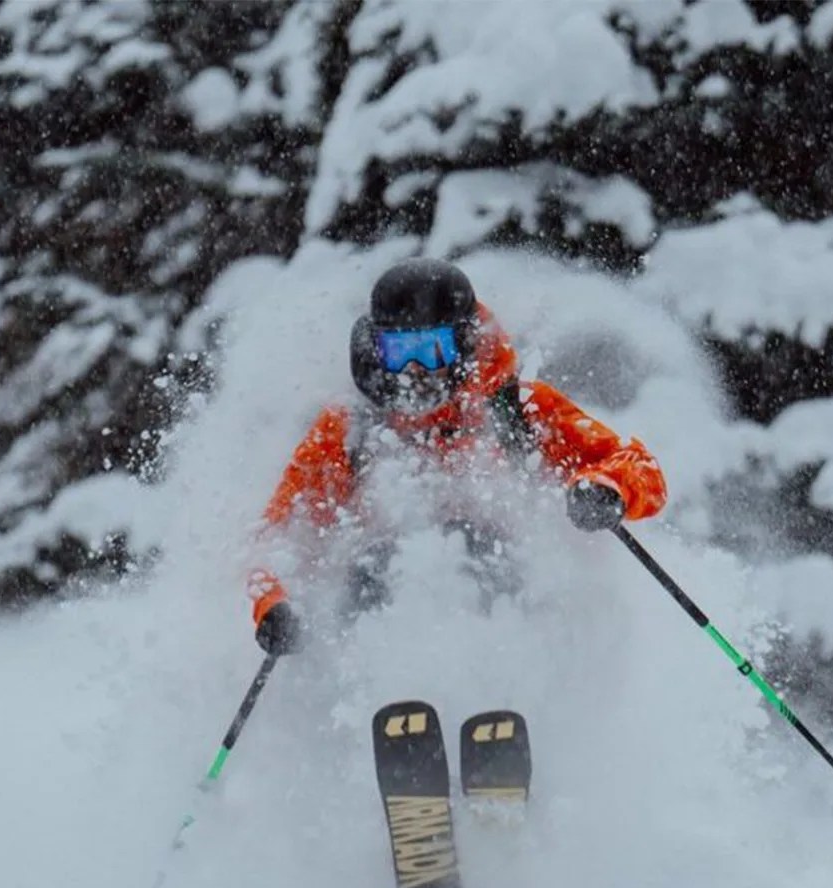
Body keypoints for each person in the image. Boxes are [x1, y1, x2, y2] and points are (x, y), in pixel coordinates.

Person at [248, 257, 668, 655]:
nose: (414, 369)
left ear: (465, 343)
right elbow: (280, 536)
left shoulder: (517, 408)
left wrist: (608, 490)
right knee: (373, 567)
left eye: (432, 350)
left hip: (510, 600)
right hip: (380, 605)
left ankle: (508, 696)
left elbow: (636, 467)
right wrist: (274, 606)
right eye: (398, 352)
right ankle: (385, 701)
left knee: (483, 549)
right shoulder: (352, 429)